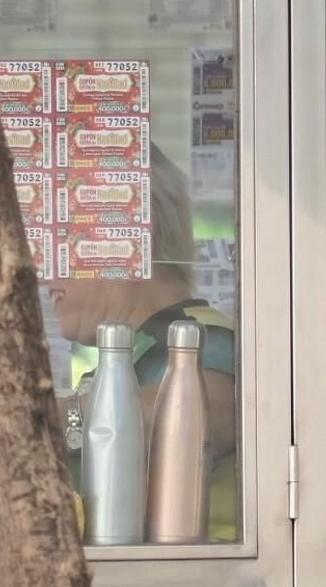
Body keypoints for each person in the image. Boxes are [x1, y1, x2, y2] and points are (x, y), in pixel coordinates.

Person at [47, 144, 239, 540]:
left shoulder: (204, 339)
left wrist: (48, 417)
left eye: (61, 242)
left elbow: (205, 413)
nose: (47, 274)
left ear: (125, 237)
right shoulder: (138, 348)